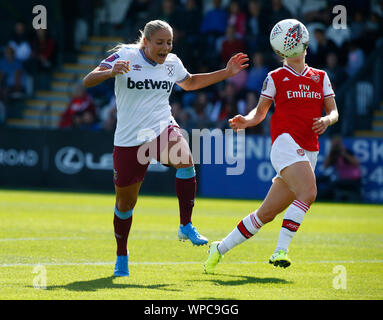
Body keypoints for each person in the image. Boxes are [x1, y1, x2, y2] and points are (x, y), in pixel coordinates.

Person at [83, 19, 248, 277]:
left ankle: (186, 224)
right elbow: (88, 80)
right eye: (159, 42)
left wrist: (226, 73)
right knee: (125, 204)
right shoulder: (124, 55)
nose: (165, 47)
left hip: (161, 128)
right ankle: (122, 256)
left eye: (169, 42)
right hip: (129, 140)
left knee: (186, 161)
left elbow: (190, 82)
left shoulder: (172, 63)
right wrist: (111, 71)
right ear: (146, 42)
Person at [204, 19, 339, 273]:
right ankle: (281, 250)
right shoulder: (275, 77)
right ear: (282, 50)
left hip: (310, 149)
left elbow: (334, 112)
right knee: (309, 193)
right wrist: (247, 120)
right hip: (285, 143)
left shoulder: (320, 77)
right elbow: (260, 111)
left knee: (264, 215)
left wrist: (326, 120)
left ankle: (219, 248)